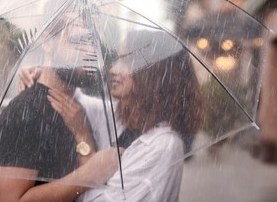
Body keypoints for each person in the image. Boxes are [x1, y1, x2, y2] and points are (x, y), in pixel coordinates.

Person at [20, 29, 203, 201]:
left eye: (125, 61)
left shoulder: (163, 146)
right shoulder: (122, 117)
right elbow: (69, 99)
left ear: (153, 71)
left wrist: (85, 142)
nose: (113, 69)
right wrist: (42, 73)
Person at [0, 12, 120, 202]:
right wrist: (88, 175)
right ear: (48, 42)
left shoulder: (75, 108)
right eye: (80, 41)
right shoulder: (25, 112)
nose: (91, 52)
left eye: (94, 43)